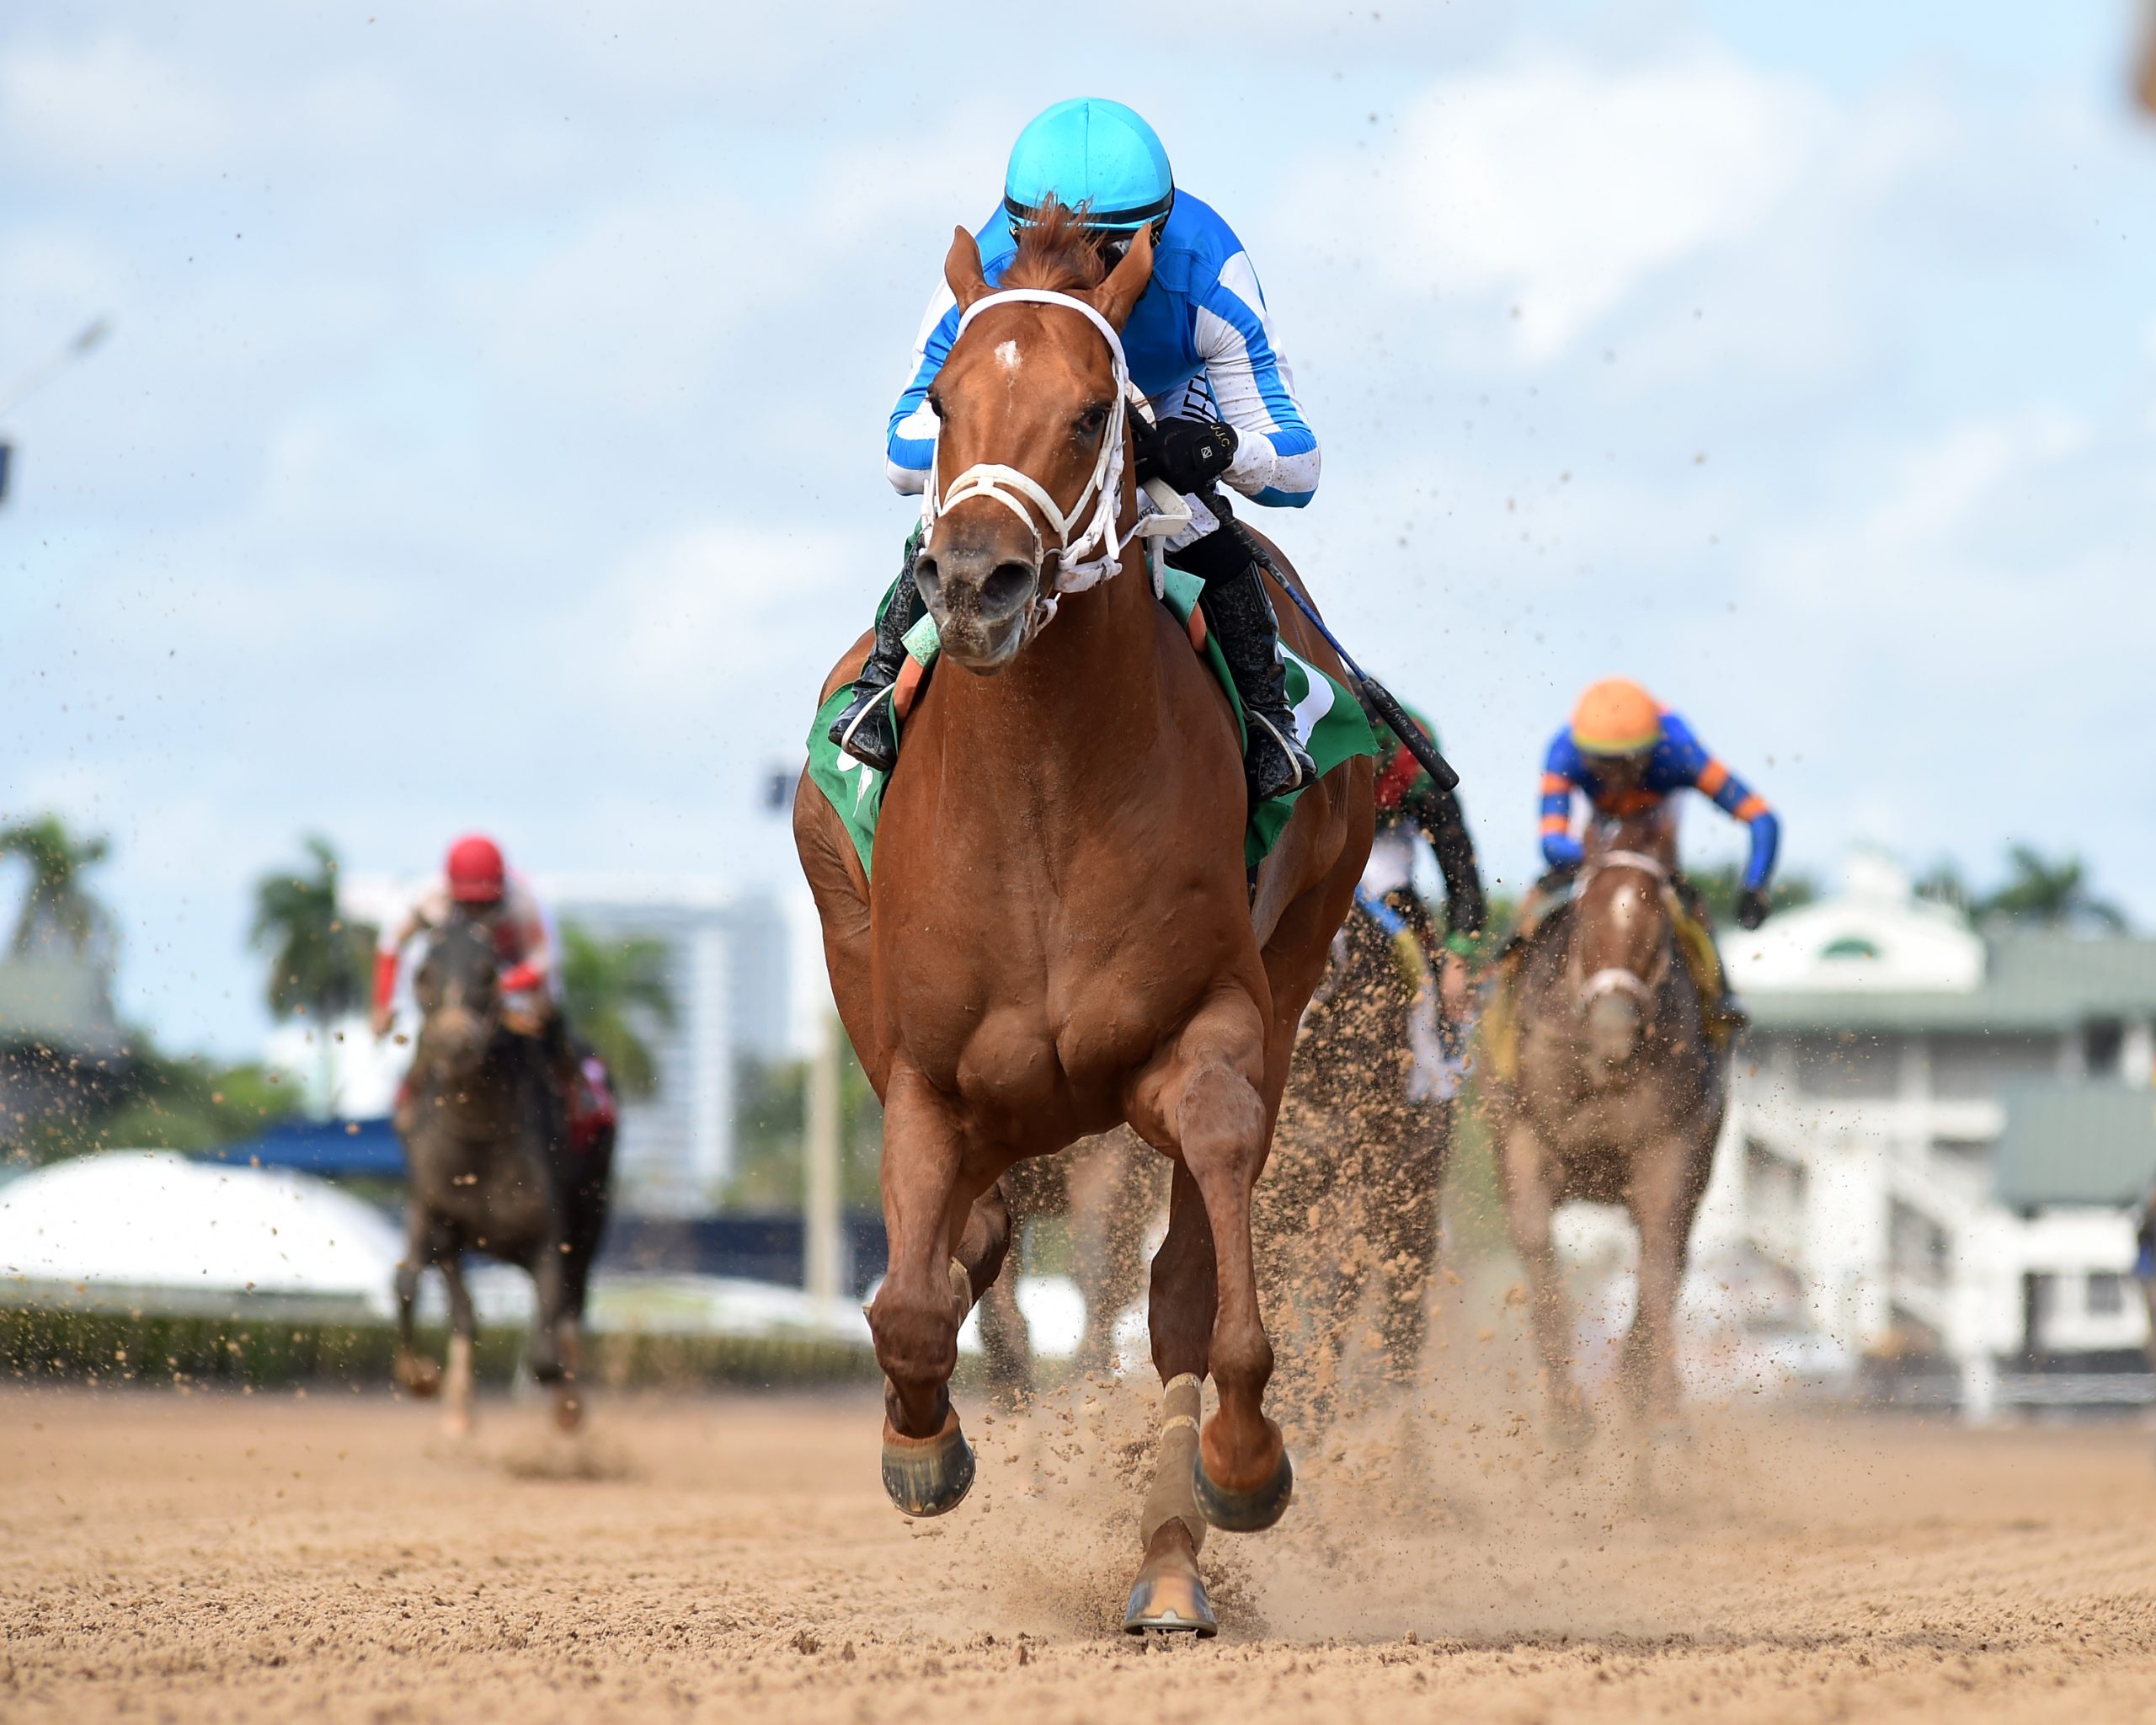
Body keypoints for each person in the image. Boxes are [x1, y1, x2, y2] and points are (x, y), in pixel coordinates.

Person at [829, 96, 1322, 803]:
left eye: (1109, 254)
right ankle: (880, 692)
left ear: (1156, 233)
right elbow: (904, 457)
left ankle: (1269, 723)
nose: (1079, 271)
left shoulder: (1208, 269)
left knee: (1203, 526)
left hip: (1170, 404)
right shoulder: (989, 275)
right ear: (1016, 231)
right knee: (956, 519)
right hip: (1031, 435)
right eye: (1051, 247)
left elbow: (1298, 467)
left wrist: (1218, 448)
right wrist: (989, 438)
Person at [1537, 678, 1780, 1030]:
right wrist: (1596, 858)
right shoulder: (1563, 751)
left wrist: (1755, 885)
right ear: (1584, 754)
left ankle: (1719, 996)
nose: (1615, 775)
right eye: (1604, 764)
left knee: (1692, 909)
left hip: (1655, 831)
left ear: (1650, 752)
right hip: (1599, 837)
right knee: (1531, 910)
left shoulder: (1680, 751)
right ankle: (1499, 983)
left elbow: (1762, 819)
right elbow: (1550, 844)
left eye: (1626, 763)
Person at [1364, 703, 1486, 1026]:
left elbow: (1461, 869)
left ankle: (1438, 1044)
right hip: (1316, 824)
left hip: (1386, 837)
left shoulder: (1420, 769)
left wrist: (1457, 958)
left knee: (1392, 892)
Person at [371, 835, 559, 1038]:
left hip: (509, 969)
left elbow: (543, 960)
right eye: (468, 902)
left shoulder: (522, 900)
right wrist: (383, 1004)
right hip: (452, 973)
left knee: (541, 1019)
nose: (475, 910)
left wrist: (500, 987)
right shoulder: (431, 896)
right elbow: (391, 944)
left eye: (484, 903)